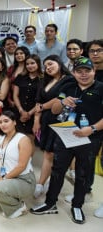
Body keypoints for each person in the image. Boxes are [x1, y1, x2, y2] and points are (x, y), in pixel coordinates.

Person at [30, 57, 102, 224]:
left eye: (87, 71)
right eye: (79, 71)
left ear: (94, 72)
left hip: (89, 137)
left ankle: (77, 205)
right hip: (65, 135)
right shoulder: (68, 86)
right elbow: (55, 109)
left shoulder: (100, 89)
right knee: (57, 170)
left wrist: (91, 129)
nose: (83, 75)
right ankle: (50, 203)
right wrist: (62, 102)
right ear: (74, 72)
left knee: (82, 173)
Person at [32, 55, 73, 198]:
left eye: (50, 64)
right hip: (45, 120)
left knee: (60, 155)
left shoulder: (69, 80)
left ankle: (53, 182)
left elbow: (60, 98)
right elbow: (37, 102)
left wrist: (43, 107)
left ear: (59, 63)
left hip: (62, 120)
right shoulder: (44, 81)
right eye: (46, 66)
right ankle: (40, 184)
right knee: (47, 153)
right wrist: (36, 120)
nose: (48, 67)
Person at [12, 54, 43, 137]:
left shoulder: (43, 79)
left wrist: (29, 114)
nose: (30, 66)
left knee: (31, 138)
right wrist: (21, 110)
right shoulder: (20, 77)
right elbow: (15, 95)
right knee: (17, 137)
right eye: (27, 64)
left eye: (32, 63)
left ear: (38, 64)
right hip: (19, 111)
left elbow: (42, 99)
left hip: (35, 113)